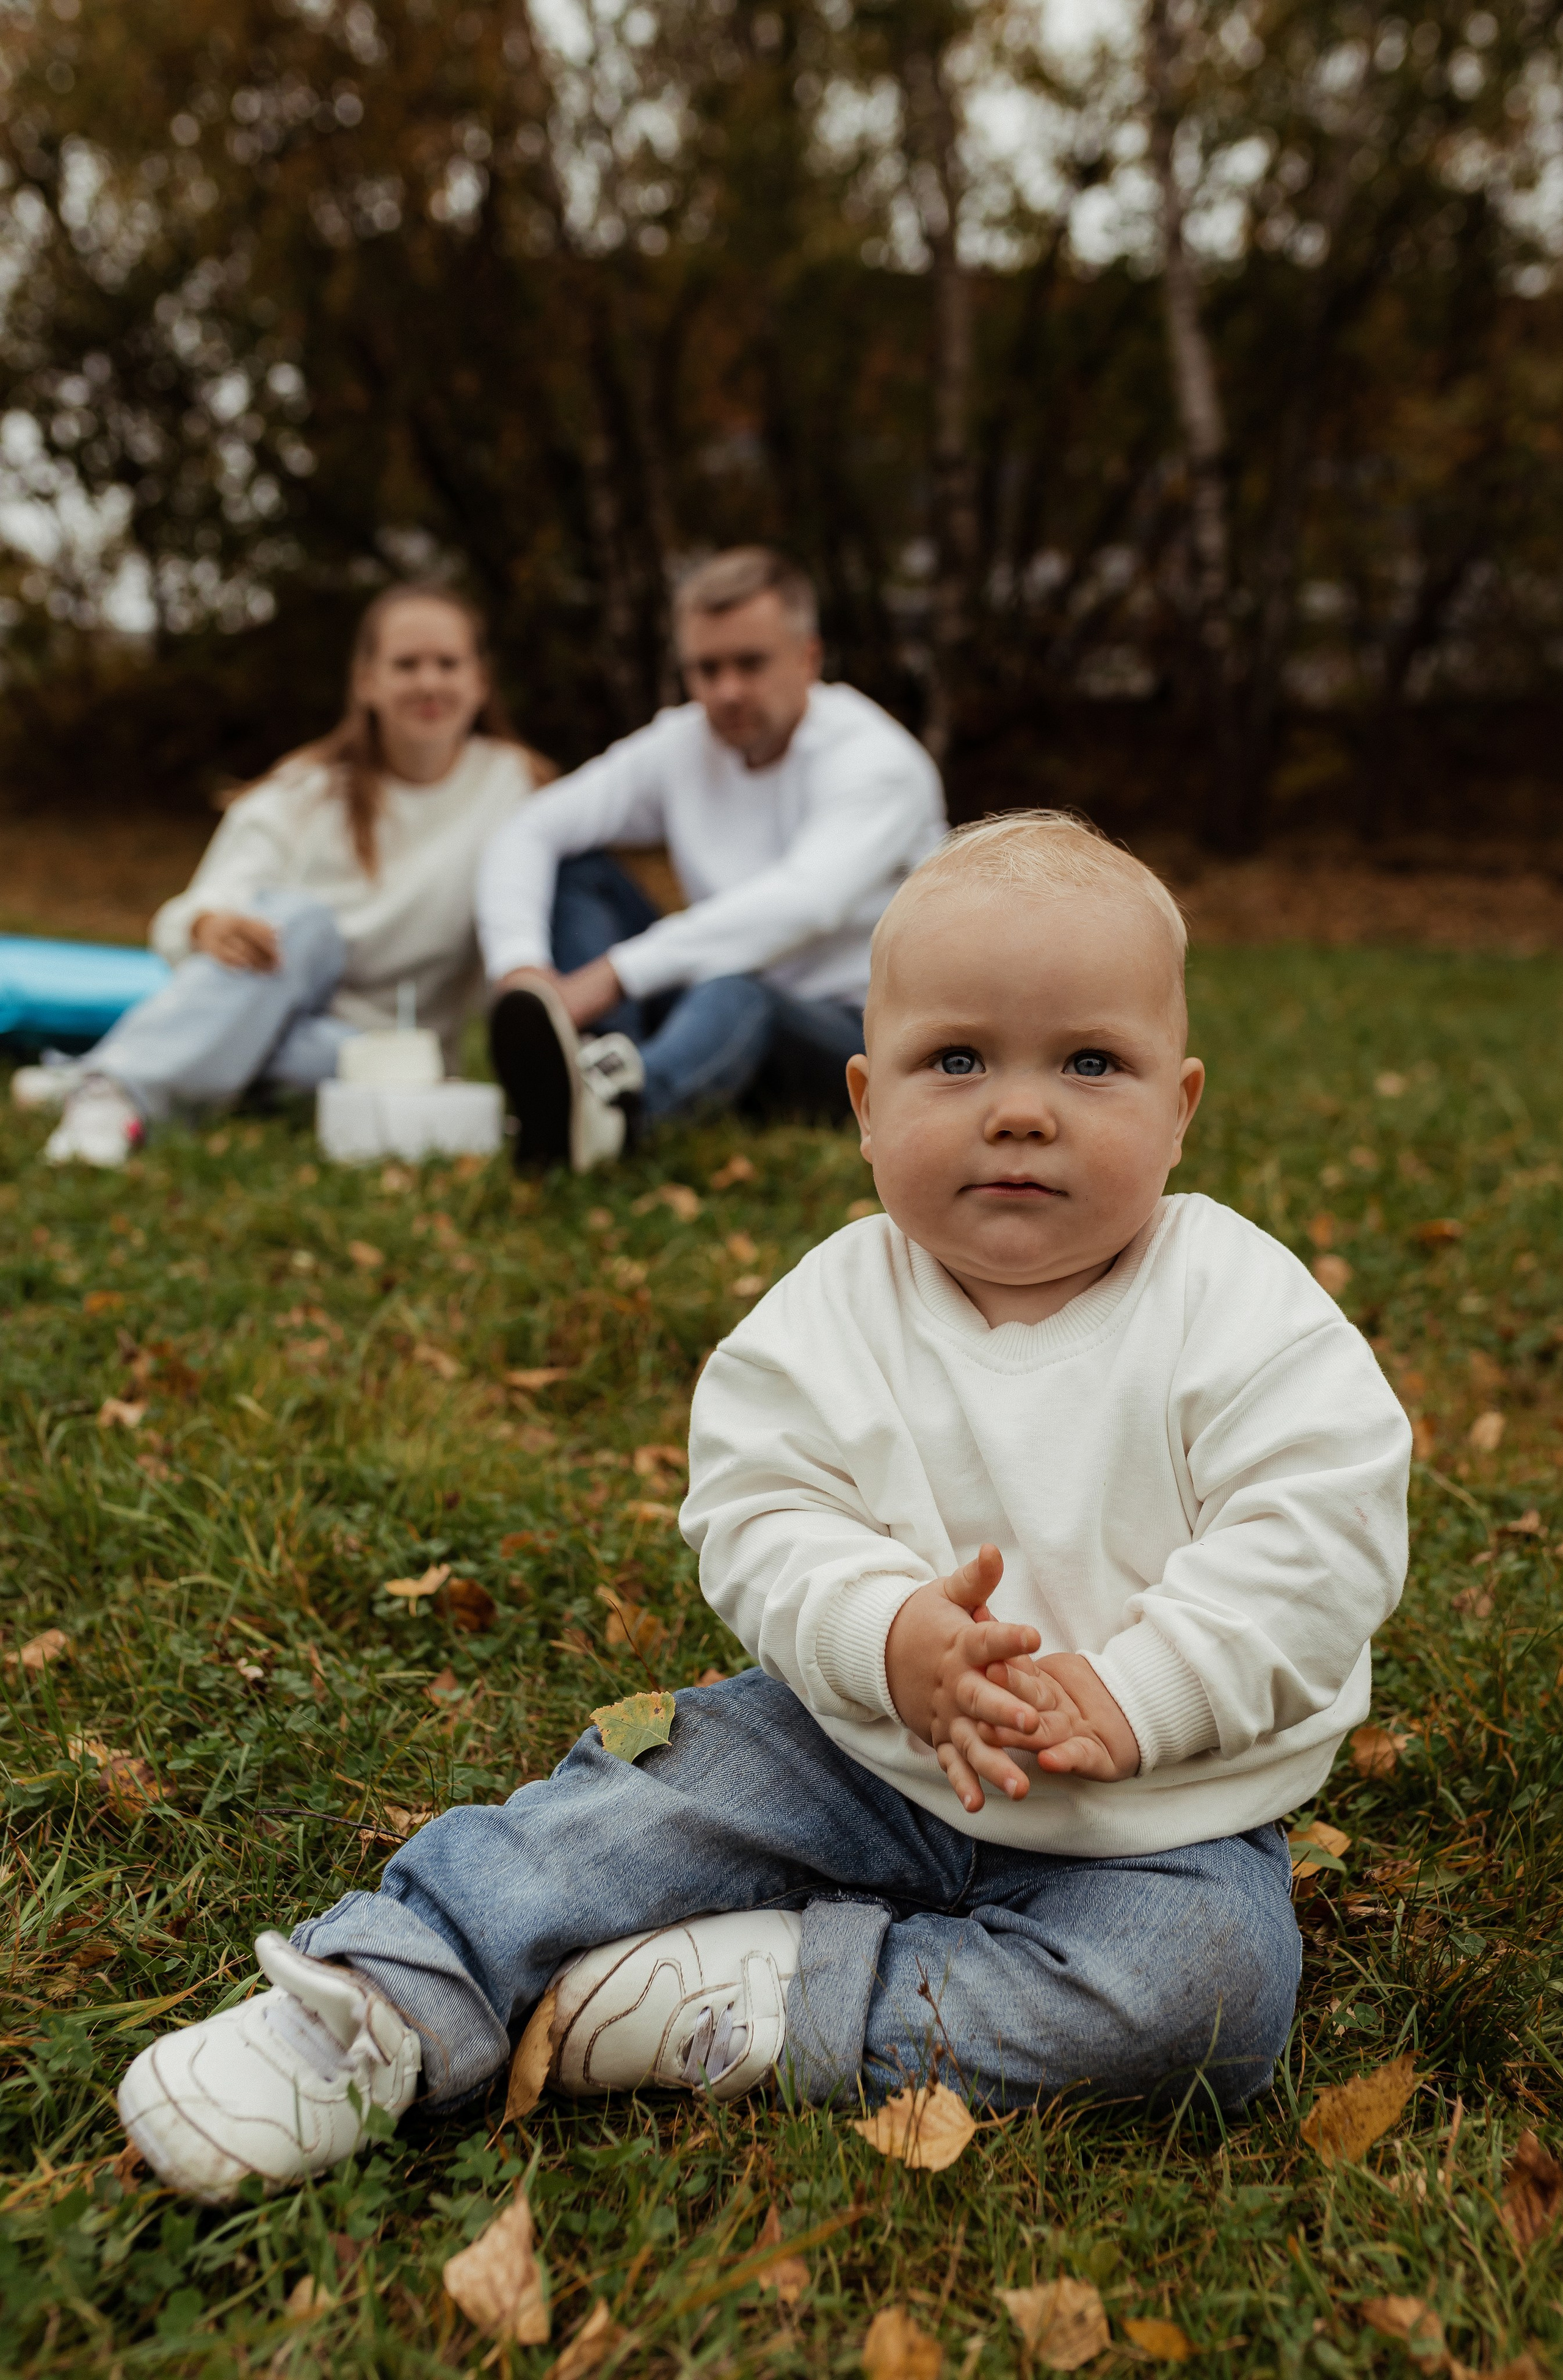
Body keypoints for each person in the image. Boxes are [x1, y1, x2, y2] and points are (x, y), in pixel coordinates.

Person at [115, 811, 1412, 2199]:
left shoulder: (1236, 1301)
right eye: (955, 1058)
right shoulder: (829, 1310)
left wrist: (1147, 1685)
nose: (1019, 1106)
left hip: (1155, 1808)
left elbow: (1317, 1525)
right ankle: (379, 1992)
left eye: (1088, 1060)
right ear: (862, 1103)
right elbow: (757, 1503)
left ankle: (752, 1992)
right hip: (849, 1740)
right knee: (637, 1797)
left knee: (1205, 1995)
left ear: (1179, 1104)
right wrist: (883, 1631)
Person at [23, 584, 549, 1167]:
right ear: (366, 681)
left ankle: (121, 1065)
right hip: (269, 997)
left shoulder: (518, 790)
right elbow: (204, 902)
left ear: (480, 680)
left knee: (297, 1054)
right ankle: (110, 1093)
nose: (428, 682)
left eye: (447, 663)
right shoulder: (307, 789)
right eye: (406, 664)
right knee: (304, 923)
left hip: (375, 1056)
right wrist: (207, 924)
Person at [475, 546, 946, 1172]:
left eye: (750, 664)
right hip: (709, 1011)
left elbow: (803, 902)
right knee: (580, 872)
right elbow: (531, 827)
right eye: (705, 669)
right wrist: (521, 970)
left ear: (808, 657)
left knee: (735, 989)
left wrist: (611, 975)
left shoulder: (876, 762)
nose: (725, 691)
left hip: (853, 1038)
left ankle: (622, 1114)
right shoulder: (683, 742)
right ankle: (590, 1078)